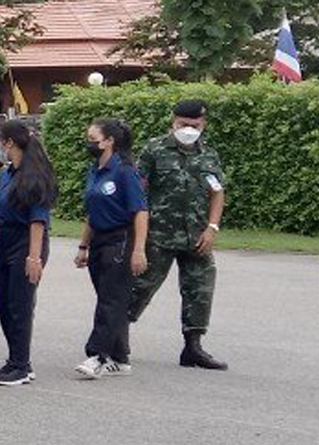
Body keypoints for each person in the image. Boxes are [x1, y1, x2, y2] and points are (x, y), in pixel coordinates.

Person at [130, 99, 230, 370]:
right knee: (139, 288)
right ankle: (116, 336)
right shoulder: (154, 149)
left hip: (196, 235)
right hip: (159, 235)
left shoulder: (209, 155)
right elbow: (138, 190)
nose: (189, 129)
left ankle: (193, 347)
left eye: (194, 125)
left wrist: (212, 227)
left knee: (200, 290)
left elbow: (217, 192)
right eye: (183, 124)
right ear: (173, 122)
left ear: (203, 124)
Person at [0, 118, 54, 386]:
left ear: (9, 142)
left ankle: (20, 364)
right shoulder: (7, 174)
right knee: (4, 304)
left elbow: (38, 220)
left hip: (26, 241)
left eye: (0, 142)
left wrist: (33, 257)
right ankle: (15, 359)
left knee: (19, 305)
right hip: (5, 238)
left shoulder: (34, 175)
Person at [74, 117, 148, 380]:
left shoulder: (125, 171)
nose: (89, 144)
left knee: (111, 300)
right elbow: (93, 212)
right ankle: (120, 356)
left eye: (93, 139)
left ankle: (98, 355)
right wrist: (84, 245)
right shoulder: (95, 169)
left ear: (109, 141)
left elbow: (140, 211)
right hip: (100, 239)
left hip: (121, 239)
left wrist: (139, 250)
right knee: (109, 298)